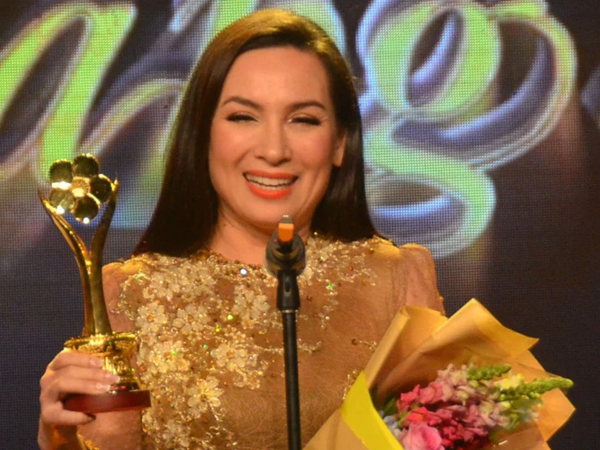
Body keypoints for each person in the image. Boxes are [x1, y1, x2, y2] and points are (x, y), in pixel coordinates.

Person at [38, 9, 443, 450]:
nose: (273, 150)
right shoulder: (131, 295)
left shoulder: (395, 282)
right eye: (243, 117)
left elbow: (457, 429)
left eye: (303, 119)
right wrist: (61, 436)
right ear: (203, 134)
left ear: (340, 142)